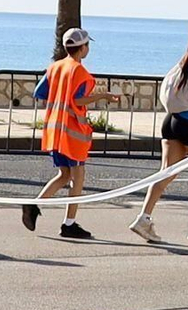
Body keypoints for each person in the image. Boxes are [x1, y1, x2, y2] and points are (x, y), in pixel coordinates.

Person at [21, 28, 121, 239]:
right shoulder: (80, 72)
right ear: (83, 48)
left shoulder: (55, 67)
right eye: (87, 45)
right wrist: (103, 95)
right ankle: (69, 224)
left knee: (64, 175)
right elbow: (77, 100)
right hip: (72, 133)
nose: (88, 49)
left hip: (55, 130)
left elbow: (40, 92)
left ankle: (34, 205)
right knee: (77, 178)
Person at [130, 21, 188, 244]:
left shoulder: (186, 58)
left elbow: (186, 94)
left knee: (166, 172)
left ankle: (144, 218)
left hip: (172, 120)